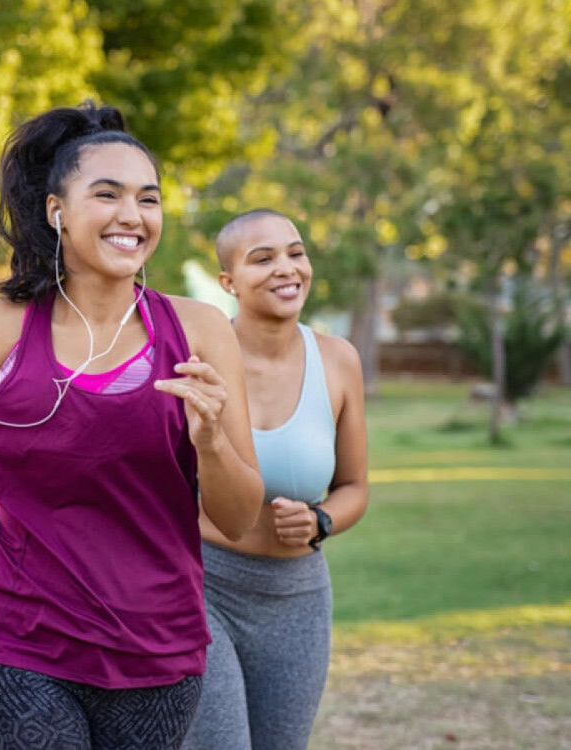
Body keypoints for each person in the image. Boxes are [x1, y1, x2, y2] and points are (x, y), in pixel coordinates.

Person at [0, 102, 265, 750]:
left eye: (148, 199)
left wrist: (210, 442)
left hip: (156, 649)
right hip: (14, 640)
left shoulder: (201, 332)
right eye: (107, 194)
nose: (133, 215)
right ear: (57, 211)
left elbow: (238, 519)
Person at [181, 209, 370, 750]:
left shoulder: (339, 360)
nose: (286, 268)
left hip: (297, 598)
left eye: (295, 253)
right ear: (229, 282)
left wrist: (321, 520)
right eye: (262, 259)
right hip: (203, 588)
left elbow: (355, 487)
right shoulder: (195, 362)